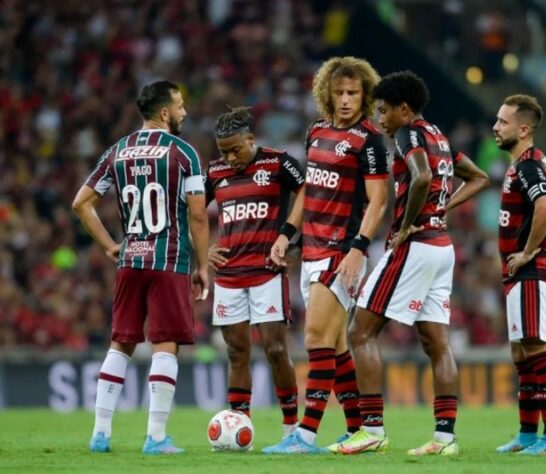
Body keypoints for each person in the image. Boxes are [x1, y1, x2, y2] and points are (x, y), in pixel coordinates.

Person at [333, 71, 490, 456]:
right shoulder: (438, 135)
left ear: (405, 109)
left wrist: (405, 227)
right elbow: (479, 177)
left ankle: (371, 429)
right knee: (437, 344)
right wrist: (441, 209)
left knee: (360, 332)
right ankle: (445, 438)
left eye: (384, 111)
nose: (381, 120)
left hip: (416, 245)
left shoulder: (411, 134)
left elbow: (420, 177)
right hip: (442, 247)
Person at [72, 80, 209, 454]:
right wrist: (203, 267)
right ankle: (157, 437)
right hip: (169, 260)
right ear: (164, 112)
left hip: (130, 259)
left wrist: (108, 246)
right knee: (165, 346)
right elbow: (198, 215)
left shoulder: (117, 151)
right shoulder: (184, 154)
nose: (184, 112)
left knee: (120, 344)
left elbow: (81, 203)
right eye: (179, 106)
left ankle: (100, 434)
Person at [263, 56, 389, 454]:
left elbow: (379, 201)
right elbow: (310, 191)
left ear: (365, 95)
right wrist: (287, 232)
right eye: (340, 93)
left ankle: (305, 435)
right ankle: (358, 430)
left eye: (354, 93)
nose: (347, 100)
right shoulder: (316, 132)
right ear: (327, 95)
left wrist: (358, 248)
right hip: (312, 249)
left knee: (315, 336)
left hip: (341, 250)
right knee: (334, 348)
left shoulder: (369, 139)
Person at [205, 106, 305, 440]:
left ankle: (292, 429)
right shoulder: (215, 172)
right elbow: (190, 212)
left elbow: (306, 190)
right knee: (236, 352)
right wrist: (204, 249)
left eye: (235, 149)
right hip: (229, 275)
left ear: (251, 138)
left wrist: (286, 234)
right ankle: (240, 426)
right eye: (224, 151)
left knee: (276, 350)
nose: (230, 157)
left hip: (266, 271)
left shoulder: (278, 162)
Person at [492, 94, 546, 455]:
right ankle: (526, 435)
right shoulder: (520, 163)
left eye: (503, 122)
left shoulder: (529, 166)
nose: (495, 126)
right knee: (522, 353)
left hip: (534, 270)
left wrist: (528, 251)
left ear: (523, 129)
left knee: (537, 348)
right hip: (520, 274)